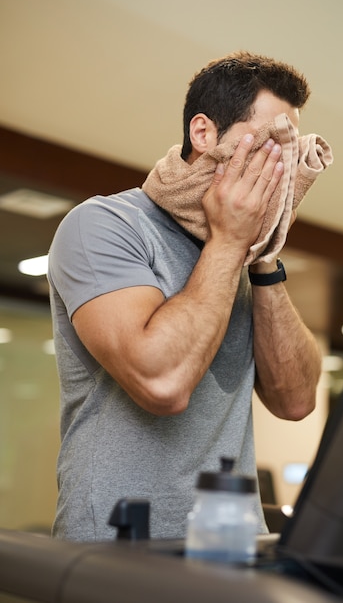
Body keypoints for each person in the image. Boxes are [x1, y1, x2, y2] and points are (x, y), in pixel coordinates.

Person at [48, 51, 322, 542]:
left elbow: (297, 400)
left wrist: (262, 255)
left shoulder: (243, 251)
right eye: (264, 145)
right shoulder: (104, 225)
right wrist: (229, 242)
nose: (277, 167)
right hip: (117, 544)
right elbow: (162, 382)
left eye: (287, 150)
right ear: (203, 134)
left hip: (231, 543)